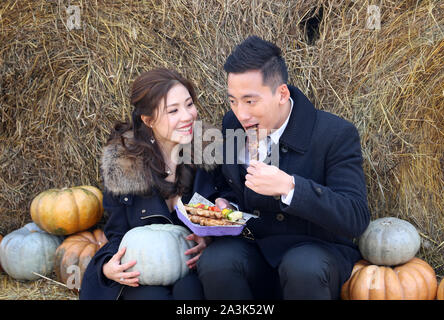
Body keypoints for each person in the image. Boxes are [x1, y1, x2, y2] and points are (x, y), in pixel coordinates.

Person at [196, 36, 371, 299]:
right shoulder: (233, 123)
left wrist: (291, 188)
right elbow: (231, 185)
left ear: (282, 94)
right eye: (233, 100)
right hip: (255, 247)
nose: (241, 113)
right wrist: (227, 206)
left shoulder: (335, 134)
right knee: (216, 261)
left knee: (303, 267)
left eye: (250, 101)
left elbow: (355, 217)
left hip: (315, 251)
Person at [79, 68, 225, 300]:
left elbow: (228, 210)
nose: (187, 116)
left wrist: (211, 238)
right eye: (173, 111)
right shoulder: (125, 165)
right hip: (142, 273)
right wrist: (107, 267)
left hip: (195, 267)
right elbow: (116, 233)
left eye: (189, 104)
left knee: (190, 291)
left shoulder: (209, 154)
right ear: (149, 120)